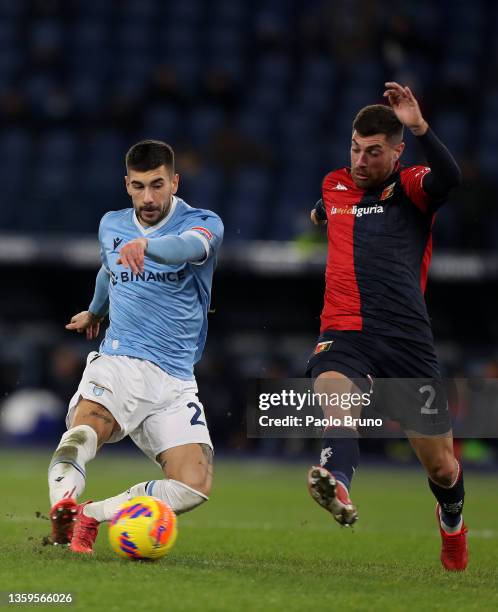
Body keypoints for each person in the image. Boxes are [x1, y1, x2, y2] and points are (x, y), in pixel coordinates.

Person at [306, 82, 467, 571]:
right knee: (334, 395)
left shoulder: (415, 186)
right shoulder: (334, 184)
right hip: (344, 329)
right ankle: (338, 484)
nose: (360, 161)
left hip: (406, 341)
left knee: (440, 466)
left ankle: (453, 522)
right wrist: (319, 214)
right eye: (355, 149)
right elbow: (324, 211)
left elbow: (451, 177)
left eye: (373, 152)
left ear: (397, 151)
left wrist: (421, 126)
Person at [47, 139, 223, 554]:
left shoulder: (202, 221)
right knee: (85, 431)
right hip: (120, 361)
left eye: (157, 185)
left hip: (176, 380)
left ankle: (90, 515)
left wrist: (149, 245)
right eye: (139, 186)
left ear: (174, 182)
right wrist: (94, 311)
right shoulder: (111, 224)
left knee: (193, 486)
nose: (148, 197)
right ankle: (64, 507)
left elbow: (189, 248)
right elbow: (109, 269)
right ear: (127, 184)